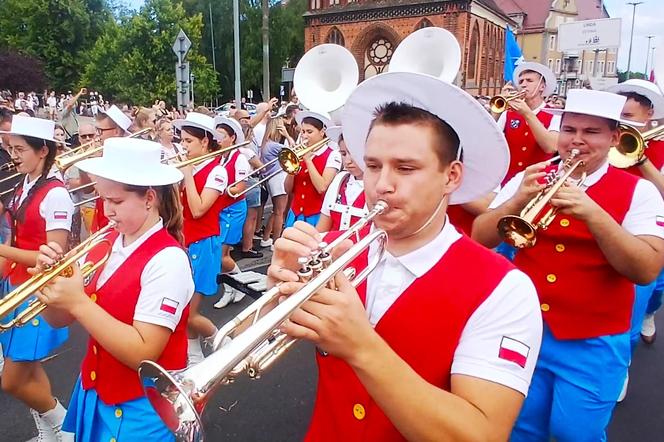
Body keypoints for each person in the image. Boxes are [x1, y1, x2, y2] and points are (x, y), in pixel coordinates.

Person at [268, 72, 542, 440]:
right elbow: (274, 339)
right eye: (374, 166)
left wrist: (360, 346)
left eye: (406, 168)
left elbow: (481, 434)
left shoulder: (505, 289)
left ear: (452, 176)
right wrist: (276, 297)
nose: (382, 184)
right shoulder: (335, 248)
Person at [471, 89, 664, 441]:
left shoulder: (640, 192)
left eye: (591, 133)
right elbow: (480, 237)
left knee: (576, 432)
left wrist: (594, 214)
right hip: (524, 329)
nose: (576, 141)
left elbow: (646, 269)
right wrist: (516, 199)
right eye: (569, 130)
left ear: (614, 139)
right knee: (520, 427)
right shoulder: (531, 177)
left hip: (594, 340)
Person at [35, 137, 194, 442]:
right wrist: (49, 287)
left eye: (116, 201)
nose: (106, 211)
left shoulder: (168, 259)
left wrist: (78, 302)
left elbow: (143, 352)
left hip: (142, 408)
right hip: (96, 391)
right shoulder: (103, 243)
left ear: (149, 198)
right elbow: (58, 319)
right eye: (103, 199)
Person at [0, 115, 75, 441]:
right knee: (28, 368)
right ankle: (48, 429)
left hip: (35, 290)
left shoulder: (55, 193)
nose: (12, 155)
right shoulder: (24, 184)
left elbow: (52, 256)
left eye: (19, 149)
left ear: (42, 150)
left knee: (11, 380)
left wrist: (3, 252)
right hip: (16, 284)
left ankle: (63, 425)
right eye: (10, 148)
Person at [604, 79, 664, 400]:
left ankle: (647, 319)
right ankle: (618, 363)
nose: (624, 122)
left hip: (655, 230)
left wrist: (642, 160)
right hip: (615, 222)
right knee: (625, 301)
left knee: (651, 294)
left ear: (648, 113)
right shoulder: (609, 138)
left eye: (630, 114)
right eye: (619, 115)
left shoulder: (660, 143)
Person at [172, 112, 227, 365]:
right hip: (186, 241)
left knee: (189, 314)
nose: (183, 146)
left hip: (204, 243)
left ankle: (224, 342)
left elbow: (198, 209)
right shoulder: (193, 168)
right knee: (184, 309)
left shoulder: (217, 171)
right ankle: (194, 357)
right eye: (182, 141)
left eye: (188, 141)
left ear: (205, 142)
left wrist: (187, 175)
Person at [497, 62, 560, 185]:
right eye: (521, 82)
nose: (524, 84)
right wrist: (497, 111)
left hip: (538, 182)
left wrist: (527, 113)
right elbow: (490, 140)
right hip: (508, 181)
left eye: (529, 80)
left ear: (542, 86)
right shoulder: (508, 113)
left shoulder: (554, 115)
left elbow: (550, 147)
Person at [212, 117, 251, 308]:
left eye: (222, 136)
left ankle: (236, 286)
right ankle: (232, 287)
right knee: (219, 254)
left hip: (233, 210)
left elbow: (242, 187)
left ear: (232, 138)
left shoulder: (240, 158)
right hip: (221, 208)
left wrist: (220, 189)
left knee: (222, 255)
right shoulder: (219, 157)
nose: (217, 139)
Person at [285, 110, 341, 228]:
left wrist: (308, 160)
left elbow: (322, 187)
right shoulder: (299, 154)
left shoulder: (333, 155)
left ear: (322, 132)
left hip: (317, 217)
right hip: (295, 214)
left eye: (309, 132)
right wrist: (291, 169)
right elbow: (287, 189)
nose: (304, 136)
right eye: (303, 132)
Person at [316, 130, 367, 232]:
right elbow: (322, 228)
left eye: (354, 154)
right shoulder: (339, 180)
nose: (348, 161)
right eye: (343, 154)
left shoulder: (380, 187)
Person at [259, 117, 292, 249]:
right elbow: (294, 150)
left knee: (276, 211)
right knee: (280, 212)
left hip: (273, 179)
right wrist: (287, 136)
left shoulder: (266, 144)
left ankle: (266, 238)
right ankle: (276, 241)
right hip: (278, 178)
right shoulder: (274, 145)